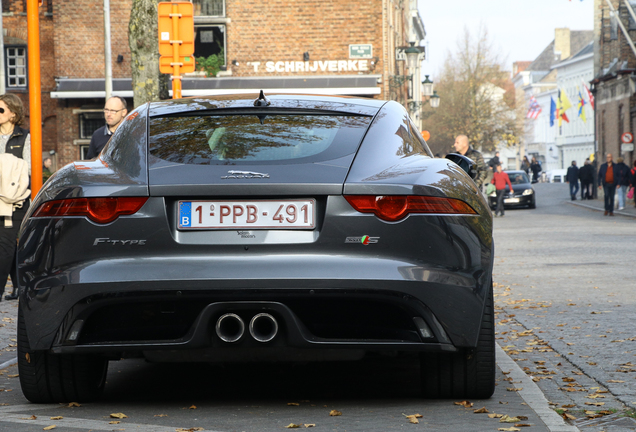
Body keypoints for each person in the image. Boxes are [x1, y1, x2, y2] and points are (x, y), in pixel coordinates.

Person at [0, 94, 31, 300]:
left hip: (14, 200)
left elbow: (28, 167)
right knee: (8, 244)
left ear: (13, 113)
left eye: (1, 110)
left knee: (6, 244)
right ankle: (19, 285)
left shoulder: (25, 136)